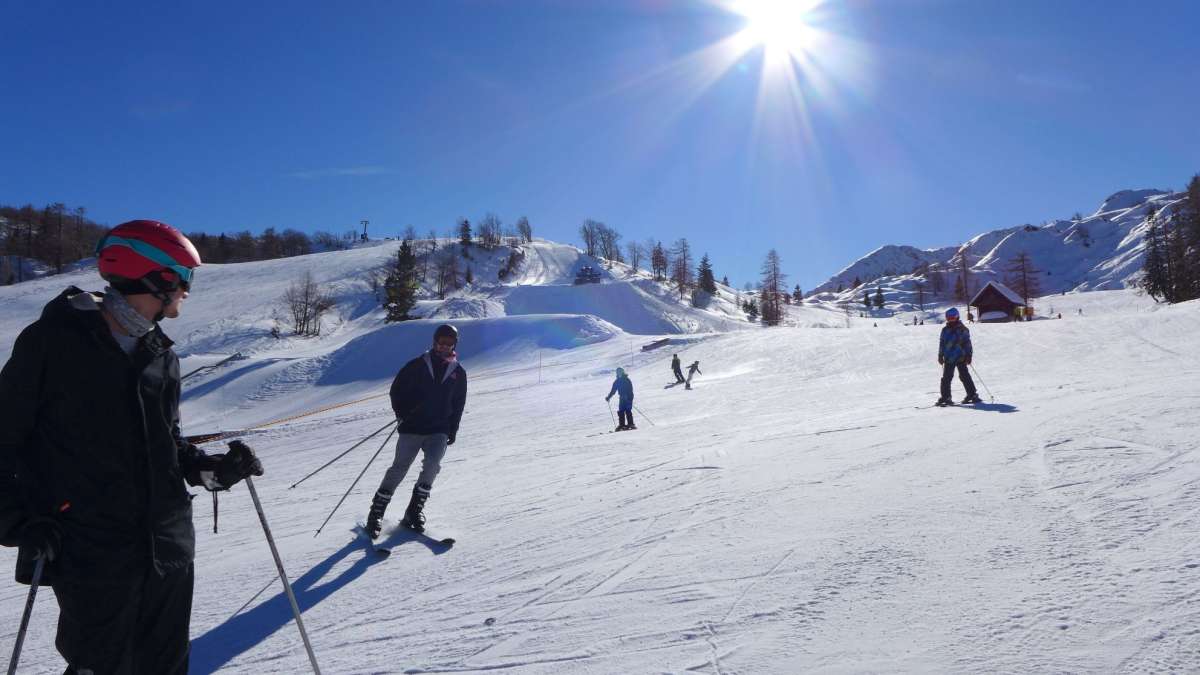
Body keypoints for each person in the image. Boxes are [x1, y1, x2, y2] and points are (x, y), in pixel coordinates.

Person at [0, 220, 264, 674]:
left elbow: (165, 441)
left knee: (166, 665)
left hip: (167, 546)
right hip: (92, 547)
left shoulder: (161, 354)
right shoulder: (53, 343)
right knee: (101, 666)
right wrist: (17, 522)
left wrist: (208, 469)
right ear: (157, 277)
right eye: (185, 277)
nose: (187, 290)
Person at [366, 323, 468, 538]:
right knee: (399, 468)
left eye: (449, 343)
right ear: (434, 342)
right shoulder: (418, 365)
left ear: (454, 345)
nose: (444, 346)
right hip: (412, 427)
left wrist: (453, 429)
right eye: (441, 342)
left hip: (439, 429)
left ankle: (414, 511)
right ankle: (376, 514)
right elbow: (396, 391)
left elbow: (458, 404)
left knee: (432, 466)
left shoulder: (458, 372)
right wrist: (402, 413)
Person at [937, 307, 980, 406]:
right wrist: (940, 355)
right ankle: (946, 396)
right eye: (948, 318)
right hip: (948, 358)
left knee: (964, 376)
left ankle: (972, 394)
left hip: (961, 357)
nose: (950, 319)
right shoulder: (945, 330)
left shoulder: (963, 329)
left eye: (952, 317)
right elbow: (942, 343)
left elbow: (967, 343)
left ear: (957, 317)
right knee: (946, 378)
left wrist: (969, 355)